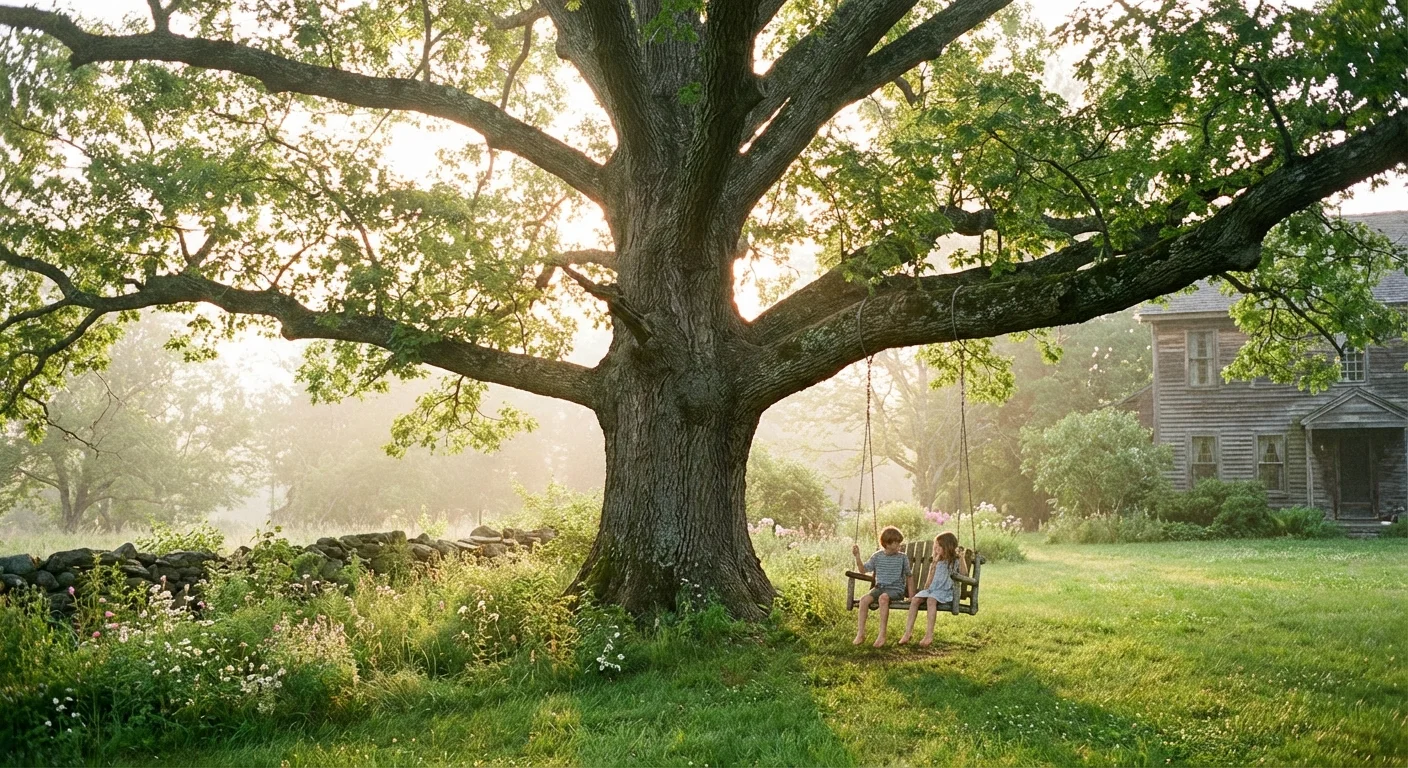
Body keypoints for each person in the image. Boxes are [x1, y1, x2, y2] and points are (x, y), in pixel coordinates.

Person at [898, 531, 968, 647]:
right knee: (915, 600)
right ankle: (908, 633)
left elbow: (964, 574)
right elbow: (931, 577)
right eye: (936, 545)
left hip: (945, 591)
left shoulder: (955, 561)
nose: (936, 547)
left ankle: (929, 635)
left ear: (948, 546)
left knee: (931, 600)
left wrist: (961, 558)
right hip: (932, 590)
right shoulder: (937, 560)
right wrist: (925, 590)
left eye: (939, 545)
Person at [851, 526, 912, 647]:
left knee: (883, 598)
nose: (899, 545)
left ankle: (882, 635)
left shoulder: (902, 558)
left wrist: (911, 596)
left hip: (896, 590)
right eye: (896, 542)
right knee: (864, 600)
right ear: (887, 544)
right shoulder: (877, 556)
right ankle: (861, 633)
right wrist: (857, 556)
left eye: (899, 542)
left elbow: (909, 576)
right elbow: (863, 570)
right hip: (879, 588)